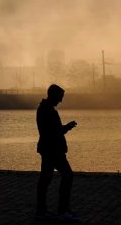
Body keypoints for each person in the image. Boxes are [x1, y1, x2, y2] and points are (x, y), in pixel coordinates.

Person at [36, 84, 80, 222]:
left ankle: (43, 211)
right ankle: (62, 210)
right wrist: (67, 127)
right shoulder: (49, 111)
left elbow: (52, 130)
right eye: (60, 97)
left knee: (45, 180)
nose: (61, 101)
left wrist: (65, 128)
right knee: (66, 176)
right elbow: (55, 132)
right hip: (53, 151)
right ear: (53, 95)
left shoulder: (43, 109)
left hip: (49, 149)